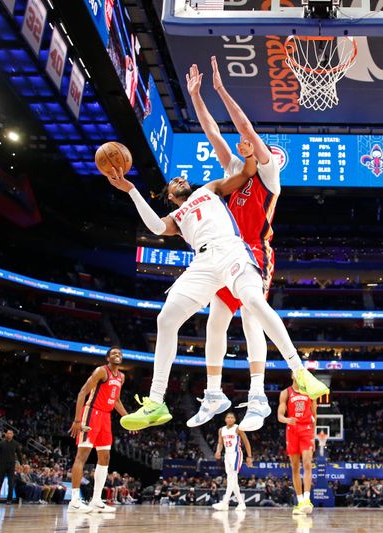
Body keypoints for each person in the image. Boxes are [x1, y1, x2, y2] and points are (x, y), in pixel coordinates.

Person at [105, 144, 329, 432]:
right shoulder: (177, 218)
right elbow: (156, 228)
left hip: (232, 250)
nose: (179, 180)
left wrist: (249, 154)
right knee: (166, 318)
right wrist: (131, 190)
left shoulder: (209, 189)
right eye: (173, 183)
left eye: (180, 179)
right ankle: (157, 402)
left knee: (254, 302)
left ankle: (299, 371)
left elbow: (248, 172)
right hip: (203, 262)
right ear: (171, 197)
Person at [184, 58, 282, 432]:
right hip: (227, 253)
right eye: (243, 143)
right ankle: (214, 393)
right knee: (215, 324)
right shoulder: (231, 172)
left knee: (251, 319)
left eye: (252, 145)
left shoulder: (269, 176)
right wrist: (196, 96)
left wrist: (222, 90)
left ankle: (258, 397)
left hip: (257, 253)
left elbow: (245, 126)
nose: (243, 142)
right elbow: (211, 130)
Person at [68, 347, 128, 513]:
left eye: (120, 354)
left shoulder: (122, 376)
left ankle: (96, 500)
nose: (118, 355)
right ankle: (74, 501)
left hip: (106, 417)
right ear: (108, 357)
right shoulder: (101, 371)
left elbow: (115, 401)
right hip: (91, 413)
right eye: (114, 353)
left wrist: (129, 419)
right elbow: (82, 393)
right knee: (83, 455)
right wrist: (77, 420)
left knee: (105, 457)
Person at [278, 372, 317, 515]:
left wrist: (313, 433)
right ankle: (300, 502)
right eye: (296, 372)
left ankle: (307, 500)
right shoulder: (285, 393)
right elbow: (280, 415)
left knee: (307, 463)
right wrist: (287, 420)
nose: (299, 374)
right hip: (292, 430)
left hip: (306, 429)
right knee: (295, 467)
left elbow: (315, 415)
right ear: (292, 376)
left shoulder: (311, 393)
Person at [213, 412, 252, 511]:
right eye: (228, 417)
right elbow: (220, 443)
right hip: (227, 455)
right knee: (232, 480)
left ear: (235, 419)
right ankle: (241, 503)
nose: (230, 419)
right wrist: (218, 451)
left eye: (232, 417)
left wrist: (249, 456)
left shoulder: (238, 428)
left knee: (231, 478)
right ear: (225, 419)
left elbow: (246, 442)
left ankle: (225, 502)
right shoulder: (221, 430)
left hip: (236, 454)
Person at [0, 429, 21, 505]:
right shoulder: (1, 443)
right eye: (7, 433)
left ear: (12, 435)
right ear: (6, 434)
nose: (9, 435)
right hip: (2, 464)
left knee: (10, 483)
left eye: (10, 433)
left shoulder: (15, 444)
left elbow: (19, 454)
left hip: (11, 465)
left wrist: (21, 463)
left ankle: (9, 500)